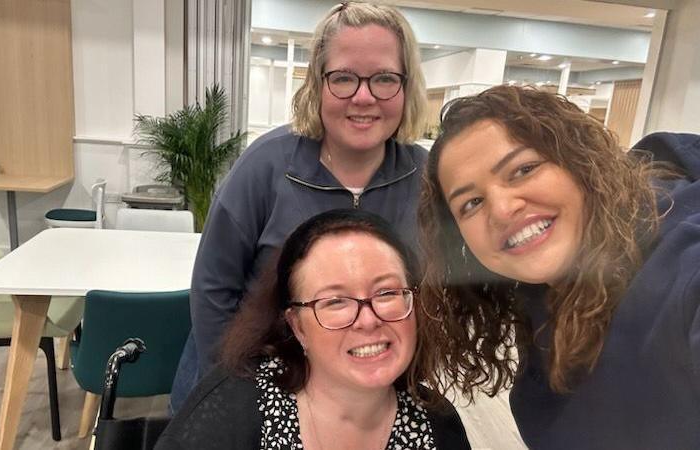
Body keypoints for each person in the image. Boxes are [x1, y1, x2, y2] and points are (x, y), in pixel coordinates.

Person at [171, 1, 429, 411]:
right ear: (317, 84)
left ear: (406, 86)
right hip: (249, 379)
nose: (363, 98)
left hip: (362, 395)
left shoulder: (426, 177)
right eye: (343, 78)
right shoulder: (265, 165)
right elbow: (212, 288)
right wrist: (231, 397)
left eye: (384, 78)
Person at [416, 84, 700, 449]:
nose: (502, 210)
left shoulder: (683, 264)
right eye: (471, 203)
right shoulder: (540, 296)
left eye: (523, 170)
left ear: (582, 162)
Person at [156, 209, 470, 449]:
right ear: (298, 327)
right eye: (335, 302)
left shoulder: (438, 425)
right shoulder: (231, 414)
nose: (368, 319)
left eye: (387, 293)